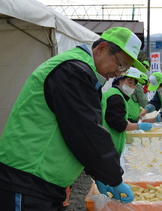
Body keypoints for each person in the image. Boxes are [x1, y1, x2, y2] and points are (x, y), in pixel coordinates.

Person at [0, 27, 146, 210]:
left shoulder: (82, 71)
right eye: (120, 64)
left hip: (43, 185)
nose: (119, 73)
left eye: (124, 68)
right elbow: (86, 132)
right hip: (27, 182)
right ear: (101, 49)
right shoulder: (73, 71)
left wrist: (99, 174)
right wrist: (113, 177)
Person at [101, 67, 152, 155]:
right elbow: (120, 124)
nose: (132, 86)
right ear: (120, 80)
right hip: (109, 145)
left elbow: (120, 117)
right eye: (129, 82)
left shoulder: (116, 94)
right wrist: (139, 126)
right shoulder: (116, 97)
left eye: (134, 84)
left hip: (109, 143)